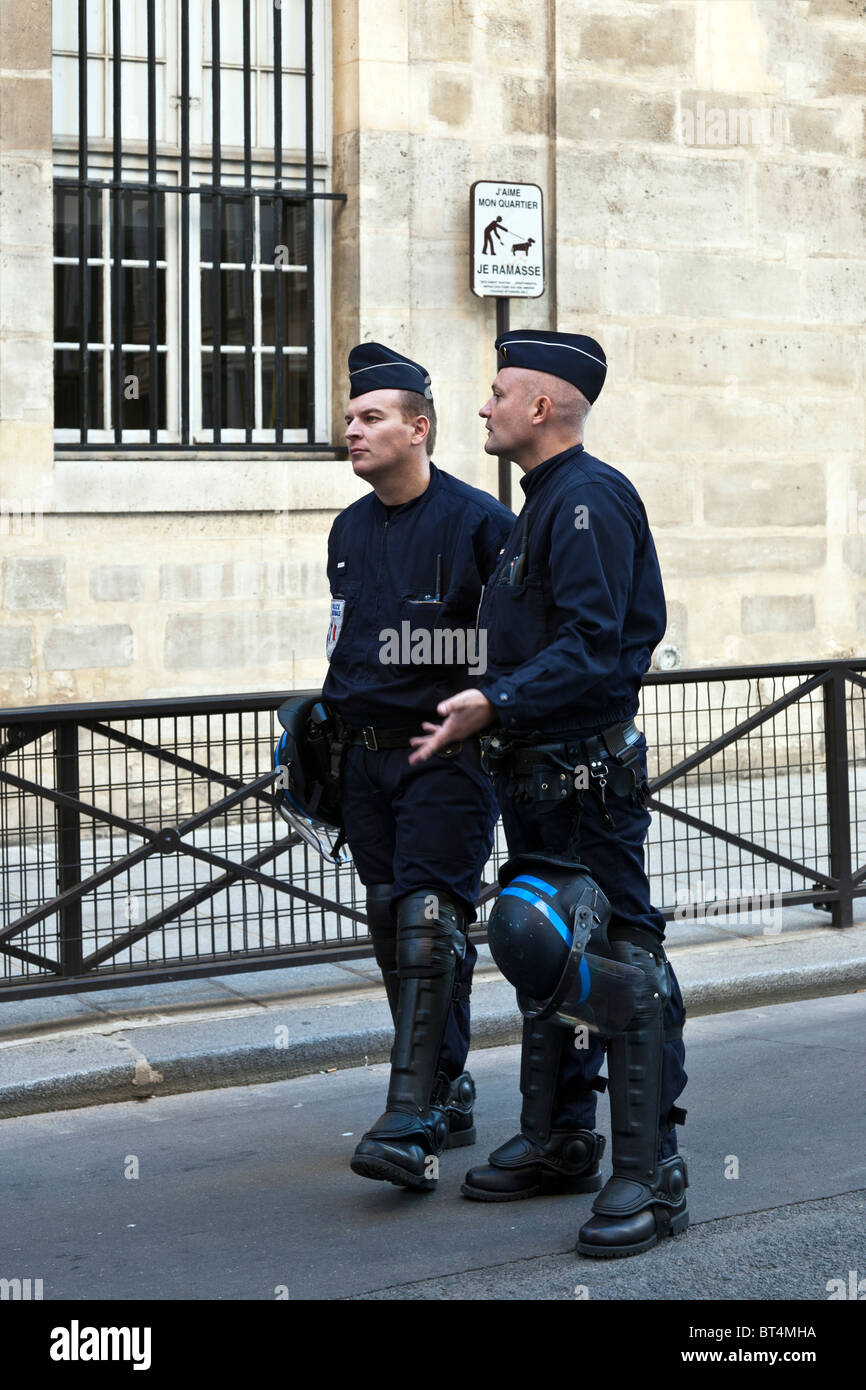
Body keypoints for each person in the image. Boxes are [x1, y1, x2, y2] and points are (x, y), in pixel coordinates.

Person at [409, 329, 688, 1256]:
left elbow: (595, 646)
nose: (481, 407)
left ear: (540, 406)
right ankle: (563, 1135)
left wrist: (493, 698)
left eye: (496, 392)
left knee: (617, 961)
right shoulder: (541, 505)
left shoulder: (587, 502)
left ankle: (654, 1174)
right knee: (547, 954)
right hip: (536, 779)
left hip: (587, 782)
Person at [324, 342, 514, 1193]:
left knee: (431, 924)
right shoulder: (348, 527)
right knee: (393, 928)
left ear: (420, 428)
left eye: (370, 418)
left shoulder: (481, 524)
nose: (352, 431)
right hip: (363, 762)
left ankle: (409, 1119)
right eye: (352, 417)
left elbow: (516, 648)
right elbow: (345, 635)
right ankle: (451, 1087)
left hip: (445, 756)